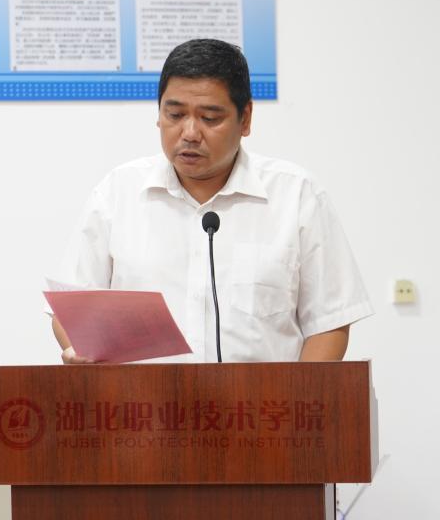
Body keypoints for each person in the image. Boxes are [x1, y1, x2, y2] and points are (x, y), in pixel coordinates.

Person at [52, 38, 372, 365]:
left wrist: (297, 396)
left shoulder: (296, 195)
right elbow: (70, 309)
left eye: (210, 118)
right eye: (175, 114)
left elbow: (329, 324)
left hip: (262, 398)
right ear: (159, 114)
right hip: (140, 398)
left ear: (245, 119)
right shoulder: (117, 192)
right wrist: (84, 354)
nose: (190, 133)